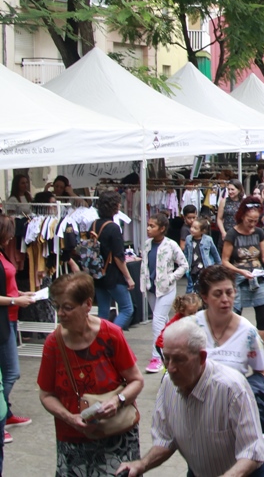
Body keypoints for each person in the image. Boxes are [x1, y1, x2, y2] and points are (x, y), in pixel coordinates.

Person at [116, 318, 264, 477]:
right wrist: (141, 464)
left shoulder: (232, 388)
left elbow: (252, 450)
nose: (171, 368)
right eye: (166, 358)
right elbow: (165, 440)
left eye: (179, 359)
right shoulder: (168, 384)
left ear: (202, 357)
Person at [37, 273, 144, 475]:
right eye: (56, 306)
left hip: (116, 435)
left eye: (67, 307)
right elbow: (46, 395)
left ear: (87, 304)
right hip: (73, 441)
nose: (60, 314)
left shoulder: (111, 334)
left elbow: (136, 380)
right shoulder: (53, 343)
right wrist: (69, 418)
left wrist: (118, 401)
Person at [221, 197, 264, 371]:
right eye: (249, 220)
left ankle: (261, 355)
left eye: (255, 221)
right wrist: (240, 272)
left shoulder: (259, 233)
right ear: (242, 216)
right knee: (235, 316)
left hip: (257, 277)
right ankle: (234, 354)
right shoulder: (232, 234)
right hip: (239, 279)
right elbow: (225, 261)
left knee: (262, 316)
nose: (252, 224)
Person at [191, 266, 264, 376]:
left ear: (235, 292)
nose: (225, 299)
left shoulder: (248, 332)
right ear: (205, 297)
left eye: (229, 292)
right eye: (217, 294)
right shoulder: (190, 327)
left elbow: (261, 371)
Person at [141, 213, 188, 373]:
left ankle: (157, 357)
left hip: (166, 289)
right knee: (162, 321)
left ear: (162, 229)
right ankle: (173, 345)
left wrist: (171, 278)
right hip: (151, 289)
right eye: (148, 225)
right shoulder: (147, 244)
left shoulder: (171, 245)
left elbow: (184, 265)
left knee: (157, 320)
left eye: (152, 226)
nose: (148, 228)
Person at [0, 216, 33, 441]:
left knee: (8, 371)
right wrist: (15, 300)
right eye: (8, 233)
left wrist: (20, 294)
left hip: (10, 317)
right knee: (11, 371)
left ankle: (6, 413)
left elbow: (6, 285)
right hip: (4, 319)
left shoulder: (2, 253)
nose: (12, 237)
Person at [91, 191, 135, 330]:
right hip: (113, 274)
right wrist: (128, 277)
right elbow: (118, 256)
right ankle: (111, 335)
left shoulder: (94, 225)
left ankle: (101, 337)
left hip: (98, 273)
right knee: (127, 309)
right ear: (114, 206)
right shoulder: (113, 228)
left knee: (103, 311)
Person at [184, 217, 221, 294]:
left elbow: (215, 253)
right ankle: (190, 300)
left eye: (195, 228)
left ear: (203, 231)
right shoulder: (188, 239)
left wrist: (219, 266)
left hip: (204, 268)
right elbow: (186, 253)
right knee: (191, 286)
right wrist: (185, 266)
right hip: (192, 267)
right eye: (192, 227)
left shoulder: (208, 239)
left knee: (203, 286)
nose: (192, 229)